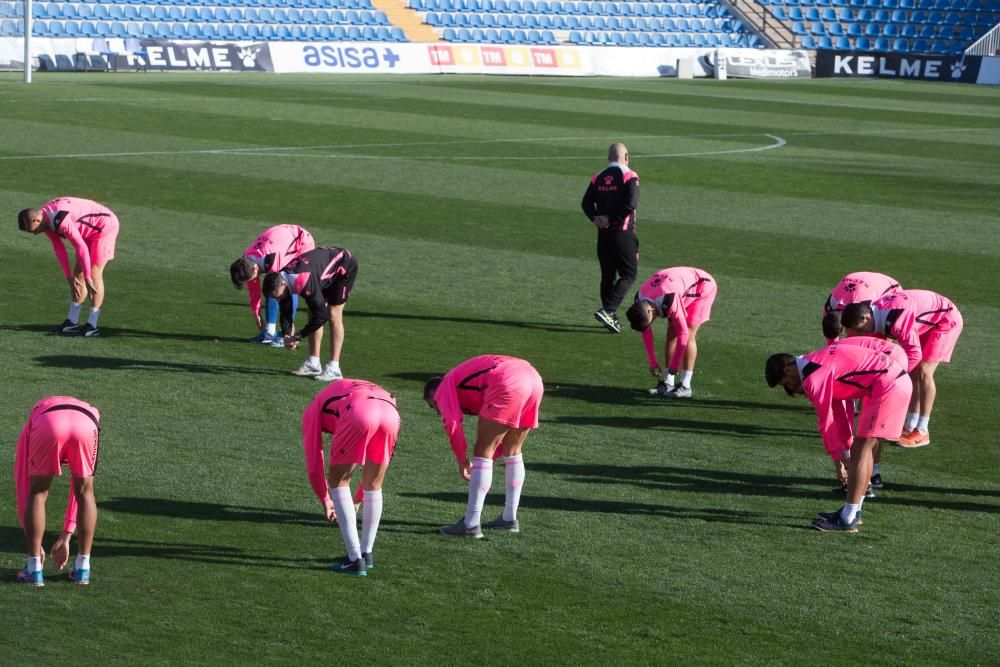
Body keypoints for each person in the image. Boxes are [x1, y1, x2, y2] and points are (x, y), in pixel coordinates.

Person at [765, 344, 911, 532]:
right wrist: (844, 451)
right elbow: (839, 411)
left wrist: (838, 462)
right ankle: (853, 512)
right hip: (889, 383)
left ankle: (847, 519)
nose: (791, 387)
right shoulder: (813, 362)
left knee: (861, 451)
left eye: (785, 382)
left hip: (888, 387)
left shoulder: (813, 377)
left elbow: (826, 422)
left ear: (788, 369)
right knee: (860, 450)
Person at [424, 355, 544, 538]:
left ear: (433, 394)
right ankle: (509, 518)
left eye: (433, 405)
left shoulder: (443, 387)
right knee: (512, 451)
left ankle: (470, 524)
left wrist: (462, 459)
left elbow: (452, 424)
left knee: (482, 452)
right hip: (533, 378)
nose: (438, 408)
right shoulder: (463, 381)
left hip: (507, 379)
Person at [840, 289, 962, 448]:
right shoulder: (873, 315)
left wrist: (894, 378)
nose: (860, 333)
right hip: (922, 318)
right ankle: (910, 426)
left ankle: (923, 431)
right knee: (912, 372)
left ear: (866, 317)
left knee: (924, 371)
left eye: (859, 329)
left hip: (945, 321)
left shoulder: (897, 320)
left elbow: (914, 354)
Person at [301, 379, 400, 577]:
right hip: (391, 411)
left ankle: (354, 560)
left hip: (358, 410)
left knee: (339, 481)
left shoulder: (313, 408)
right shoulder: (340, 389)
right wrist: (358, 498)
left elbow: (314, 461)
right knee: (374, 484)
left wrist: (325, 499)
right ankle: (367, 553)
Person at [14, 396, 101, 585]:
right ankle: (83, 568)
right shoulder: (90, 411)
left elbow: (23, 484)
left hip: (48, 421)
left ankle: (34, 568)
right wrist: (66, 535)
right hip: (87, 423)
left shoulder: (31, 425)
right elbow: (79, 493)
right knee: (86, 491)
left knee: (38, 492)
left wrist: (33, 543)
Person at [18, 197, 120, 337]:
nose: (35, 234)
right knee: (78, 274)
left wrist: (88, 277)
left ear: (36, 220)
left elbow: (81, 247)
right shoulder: (45, 220)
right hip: (88, 231)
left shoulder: (60, 219)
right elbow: (59, 249)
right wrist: (69, 277)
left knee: (94, 272)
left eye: (33, 231)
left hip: (104, 227)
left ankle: (92, 325)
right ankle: (72, 322)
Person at [261, 246, 358, 382]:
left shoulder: (301, 280)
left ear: (283, 284)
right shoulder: (282, 279)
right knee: (312, 309)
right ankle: (313, 362)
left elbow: (321, 316)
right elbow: (285, 309)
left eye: (278, 296)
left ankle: (334, 368)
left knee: (332, 313)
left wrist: (299, 336)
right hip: (319, 271)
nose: (279, 299)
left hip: (343, 266)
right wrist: (288, 334)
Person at [624, 267, 717, 399]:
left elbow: (683, 335)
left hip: (702, 286)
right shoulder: (639, 300)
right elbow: (645, 330)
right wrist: (652, 361)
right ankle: (668, 383)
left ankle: (685, 385)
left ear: (650, 310)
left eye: (649, 321)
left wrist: (675, 365)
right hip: (676, 285)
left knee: (689, 332)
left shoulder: (668, 298)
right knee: (671, 334)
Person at [836, 335, 909, 491]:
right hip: (887, 374)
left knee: (863, 443)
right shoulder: (846, 346)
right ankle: (870, 477)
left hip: (885, 379)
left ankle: (865, 484)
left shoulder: (838, 352)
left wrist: (840, 457)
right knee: (868, 437)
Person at [581, 142, 640, 334]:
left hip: (603, 235)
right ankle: (608, 310)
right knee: (629, 273)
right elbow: (630, 204)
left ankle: (610, 317)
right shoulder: (630, 176)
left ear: (608, 158)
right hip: (622, 233)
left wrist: (596, 218)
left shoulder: (598, 176)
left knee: (608, 275)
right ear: (627, 156)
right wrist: (610, 218)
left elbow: (586, 203)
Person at [229, 224, 315, 346]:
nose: (251, 281)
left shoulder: (273, 261)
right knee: (271, 286)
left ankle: (286, 334)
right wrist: (257, 313)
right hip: (280, 238)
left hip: (302, 243)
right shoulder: (246, 261)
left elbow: (286, 290)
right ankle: (269, 333)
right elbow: (254, 290)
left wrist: (288, 328)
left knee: (284, 285)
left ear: (255, 269)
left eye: (251, 278)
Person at [821, 271, 902, 342]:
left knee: (876, 334)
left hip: (892, 289)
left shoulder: (862, 306)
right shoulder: (828, 310)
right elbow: (831, 340)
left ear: (844, 328)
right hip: (863, 282)